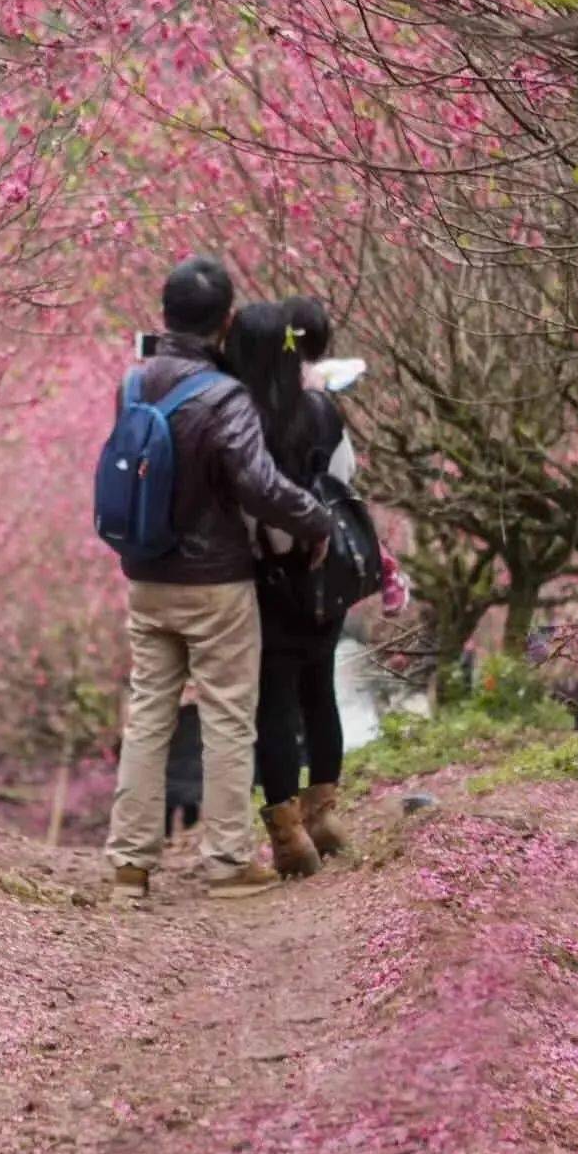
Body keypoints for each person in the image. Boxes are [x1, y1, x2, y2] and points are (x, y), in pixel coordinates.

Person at [105, 256, 331, 902]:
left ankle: (129, 866)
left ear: (166, 314)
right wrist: (316, 520)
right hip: (217, 584)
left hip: (146, 576)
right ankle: (228, 863)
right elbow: (259, 485)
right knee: (229, 717)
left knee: (148, 713)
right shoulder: (223, 396)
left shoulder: (134, 383)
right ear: (226, 321)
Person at [225, 296, 407, 876]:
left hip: (264, 576)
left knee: (273, 701)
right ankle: (324, 812)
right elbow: (343, 481)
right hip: (322, 574)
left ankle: (288, 837)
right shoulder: (322, 412)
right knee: (318, 688)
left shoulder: (237, 418)